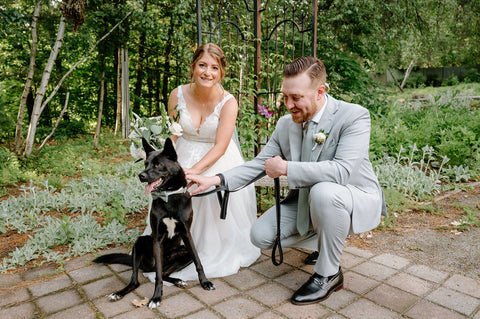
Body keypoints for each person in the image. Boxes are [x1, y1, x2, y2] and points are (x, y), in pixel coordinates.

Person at [188, 56, 387, 305]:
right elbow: (259, 164)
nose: (288, 104)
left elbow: (341, 171)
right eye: (284, 97)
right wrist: (215, 179)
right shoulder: (285, 124)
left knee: (324, 192)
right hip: (306, 200)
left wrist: (286, 168)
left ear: (320, 92)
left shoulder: (354, 116)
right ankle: (325, 240)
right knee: (260, 236)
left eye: (296, 98)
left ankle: (329, 273)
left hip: (352, 195)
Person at [142, 43, 260, 281]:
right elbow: (173, 134)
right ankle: (170, 246)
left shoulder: (229, 102)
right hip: (181, 154)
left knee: (200, 190)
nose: (208, 72)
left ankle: (207, 248)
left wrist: (192, 171)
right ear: (193, 67)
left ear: (221, 72)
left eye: (214, 68)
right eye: (202, 65)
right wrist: (163, 162)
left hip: (217, 157)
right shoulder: (177, 94)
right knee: (170, 190)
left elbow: (221, 146)